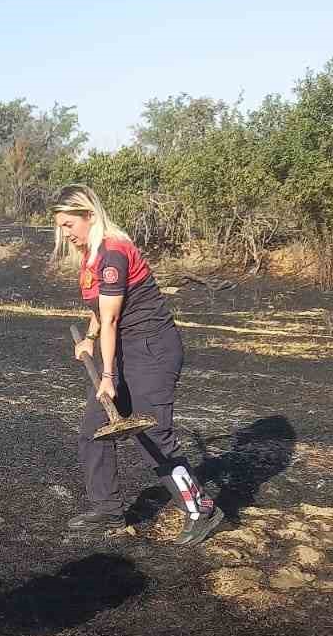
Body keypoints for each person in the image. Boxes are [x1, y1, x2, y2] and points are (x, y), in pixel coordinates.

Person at [53, 183, 224, 546]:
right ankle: (108, 511)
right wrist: (90, 338)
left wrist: (109, 375)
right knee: (93, 433)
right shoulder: (90, 255)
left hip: (151, 350)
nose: (64, 233)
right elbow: (102, 314)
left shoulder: (113, 254)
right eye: (61, 226)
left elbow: (113, 319)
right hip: (122, 347)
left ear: (89, 216)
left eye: (69, 224)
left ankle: (202, 509)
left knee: (153, 435)